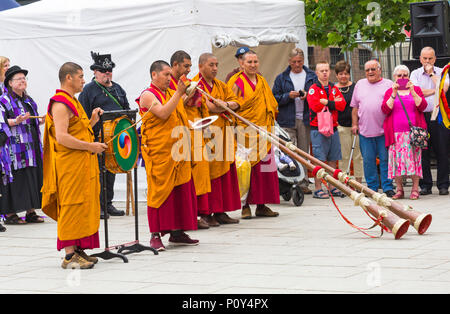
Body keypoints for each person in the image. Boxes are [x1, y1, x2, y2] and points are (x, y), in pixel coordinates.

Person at [41, 62, 107, 269]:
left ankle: (78, 249)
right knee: (71, 205)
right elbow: (62, 137)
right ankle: (70, 256)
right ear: (68, 78)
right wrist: (91, 146)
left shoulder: (73, 101)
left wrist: (93, 121)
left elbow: (79, 130)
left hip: (80, 163)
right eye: (80, 76)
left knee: (82, 204)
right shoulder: (61, 103)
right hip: (69, 165)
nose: (84, 80)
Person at [136, 60, 198, 252]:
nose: (169, 78)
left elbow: (178, 115)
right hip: (160, 151)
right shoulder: (147, 95)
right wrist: (180, 93)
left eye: (170, 75)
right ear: (154, 75)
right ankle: (155, 235)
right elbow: (162, 114)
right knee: (160, 193)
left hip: (177, 150)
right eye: (166, 75)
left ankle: (177, 232)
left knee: (180, 192)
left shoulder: (170, 94)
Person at [190, 52, 242, 226]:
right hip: (204, 136)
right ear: (200, 66)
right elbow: (209, 106)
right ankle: (206, 213)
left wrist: (225, 105)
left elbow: (236, 103)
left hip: (223, 134)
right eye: (211, 65)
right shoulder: (194, 86)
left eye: (216, 65)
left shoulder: (220, 85)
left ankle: (221, 211)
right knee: (207, 175)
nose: (215, 69)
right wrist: (222, 106)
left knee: (224, 175)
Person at [227, 50, 280, 219]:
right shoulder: (237, 82)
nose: (253, 65)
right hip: (245, 132)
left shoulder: (262, 81)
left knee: (263, 172)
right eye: (249, 62)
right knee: (246, 171)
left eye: (255, 62)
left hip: (263, 132)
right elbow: (230, 107)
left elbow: (270, 103)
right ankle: (245, 206)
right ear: (241, 63)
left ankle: (262, 205)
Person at [79, 52, 130, 217]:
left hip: (116, 137)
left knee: (111, 170)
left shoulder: (118, 88)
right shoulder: (88, 90)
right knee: (98, 172)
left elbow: (127, 109)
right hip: (96, 137)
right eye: (103, 71)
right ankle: (98, 205)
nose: (107, 74)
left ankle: (108, 203)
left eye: (109, 71)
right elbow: (83, 117)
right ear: (95, 72)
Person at [169, 50, 210, 230]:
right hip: (175, 134)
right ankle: (184, 216)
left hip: (191, 129)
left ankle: (196, 212)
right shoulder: (168, 83)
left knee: (196, 173)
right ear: (175, 65)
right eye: (185, 66)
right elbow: (171, 105)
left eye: (189, 67)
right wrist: (186, 96)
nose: (188, 70)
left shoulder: (185, 81)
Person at [0, 66, 45, 225]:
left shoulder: (28, 100)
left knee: (30, 176)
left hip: (30, 147)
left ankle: (30, 211)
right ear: (10, 83)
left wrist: (40, 120)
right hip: (12, 148)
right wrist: (15, 121)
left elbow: (30, 120)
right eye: (19, 79)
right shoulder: (3, 100)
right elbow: (2, 122)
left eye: (24, 78)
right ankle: (11, 214)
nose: (22, 81)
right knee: (15, 179)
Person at [272, 47, 317, 194]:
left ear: (303, 61)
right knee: (288, 152)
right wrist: (288, 96)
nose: (297, 64)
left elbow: (317, 95)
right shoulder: (281, 77)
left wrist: (307, 97)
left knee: (303, 152)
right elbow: (275, 98)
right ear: (289, 62)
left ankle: (303, 182)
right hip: (287, 119)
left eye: (299, 61)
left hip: (305, 119)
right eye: (294, 62)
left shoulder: (311, 75)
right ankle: (288, 181)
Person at [381, 65, 428, 200]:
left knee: (415, 161)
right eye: (399, 75)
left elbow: (423, 106)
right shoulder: (390, 91)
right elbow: (385, 109)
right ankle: (399, 189)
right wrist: (394, 94)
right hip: (395, 134)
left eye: (405, 75)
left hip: (413, 134)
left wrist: (413, 92)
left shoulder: (416, 89)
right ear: (394, 77)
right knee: (396, 162)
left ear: (408, 76)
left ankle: (415, 188)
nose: (402, 78)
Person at [351, 60, 395, 197]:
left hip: (384, 131)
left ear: (380, 70)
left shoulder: (389, 84)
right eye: (367, 70)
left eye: (373, 69)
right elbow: (355, 107)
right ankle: (372, 188)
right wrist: (354, 124)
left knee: (385, 160)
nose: (370, 72)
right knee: (368, 161)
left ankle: (387, 187)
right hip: (365, 131)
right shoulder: (359, 84)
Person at [410, 46, 450, 196]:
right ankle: (425, 185)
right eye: (424, 58)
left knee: (442, 151)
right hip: (422, 116)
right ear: (420, 59)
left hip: (439, 116)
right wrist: (435, 90)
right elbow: (416, 92)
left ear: (435, 59)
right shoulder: (414, 73)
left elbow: (444, 88)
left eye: (430, 58)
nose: (427, 61)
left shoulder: (442, 72)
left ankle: (443, 184)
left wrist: (433, 75)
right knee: (423, 152)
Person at [306, 61, 346, 199]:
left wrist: (328, 102)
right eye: (321, 70)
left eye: (326, 70)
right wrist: (332, 103)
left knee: (333, 160)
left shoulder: (334, 88)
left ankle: (332, 187)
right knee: (319, 160)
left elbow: (342, 105)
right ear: (316, 73)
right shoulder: (313, 89)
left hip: (333, 128)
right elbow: (315, 106)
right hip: (318, 129)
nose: (324, 73)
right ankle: (318, 188)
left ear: (329, 72)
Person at [334, 60, 363, 183]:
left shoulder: (355, 87)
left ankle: (358, 182)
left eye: (346, 73)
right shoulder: (334, 89)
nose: (343, 76)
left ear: (349, 74)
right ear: (336, 75)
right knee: (344, 156)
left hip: (356, 126)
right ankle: (344, 182)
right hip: (341, 126)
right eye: (340, 74)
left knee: (358, 156)